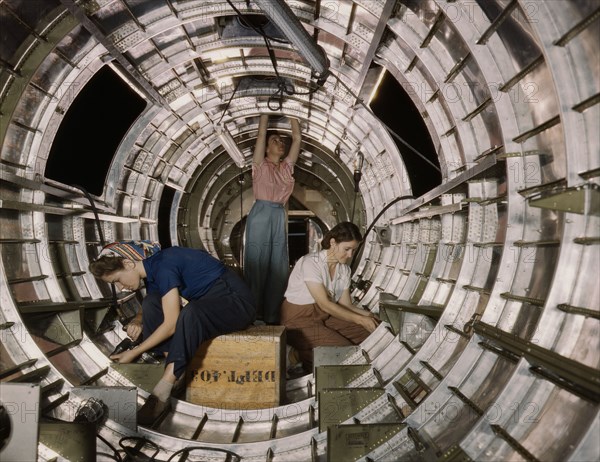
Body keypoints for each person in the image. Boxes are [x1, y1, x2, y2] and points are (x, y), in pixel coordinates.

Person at [89, 241, 256, 426]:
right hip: (209, 305)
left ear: (128, 263)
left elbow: (171, 325)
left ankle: (163, 390)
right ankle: (176, 370)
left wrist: (134, 352)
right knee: (151, 302)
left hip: (236, 304)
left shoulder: (165, 265)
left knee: (191, 313)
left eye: (118, 280)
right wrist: (138, 320)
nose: (121, 288)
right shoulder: (153, 271)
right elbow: (155, 305)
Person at [280, 222, 380, 372]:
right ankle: (295, 356)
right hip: (298, 319)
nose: (350, 255)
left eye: (353, 250)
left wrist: (371, 316)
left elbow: (346, 305)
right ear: (333, 242)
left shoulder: (344, 270)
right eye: (347, 249)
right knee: (342, 350)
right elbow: (325, 303)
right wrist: (360, 319)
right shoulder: (311, 263)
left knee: (367, 333)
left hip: (324, 316)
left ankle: (305, 351)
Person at [244, 114, 301, 324]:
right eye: (274, 141)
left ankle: (271, 315)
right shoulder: (260, 164)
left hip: (278, 214)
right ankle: (253, 313)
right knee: (257, 263)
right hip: (261, 213)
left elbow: (296, 138)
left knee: (278, 265)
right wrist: (265, 112)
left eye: (281, 141)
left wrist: (293, 112)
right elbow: (261, 134)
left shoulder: (286, 168)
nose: (280, 143)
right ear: (267, 148)